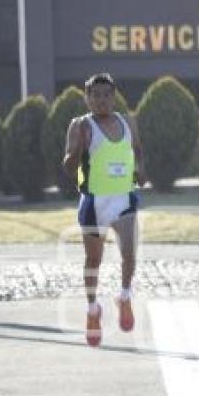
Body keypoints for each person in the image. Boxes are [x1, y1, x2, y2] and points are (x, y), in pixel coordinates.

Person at [61, 73, 146, 347]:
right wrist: (78, 150)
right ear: (87, 98)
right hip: (94, 202)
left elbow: (138, 150)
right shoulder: (80, 125)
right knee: (93, 261)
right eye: (95, 96)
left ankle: (124, 296)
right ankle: (93, 310)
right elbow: (67, 166)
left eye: (106, 95)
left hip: (123, 199)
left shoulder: (126, 121)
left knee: (130, 255)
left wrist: (140, 171)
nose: (101, 101)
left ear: (114, 96)